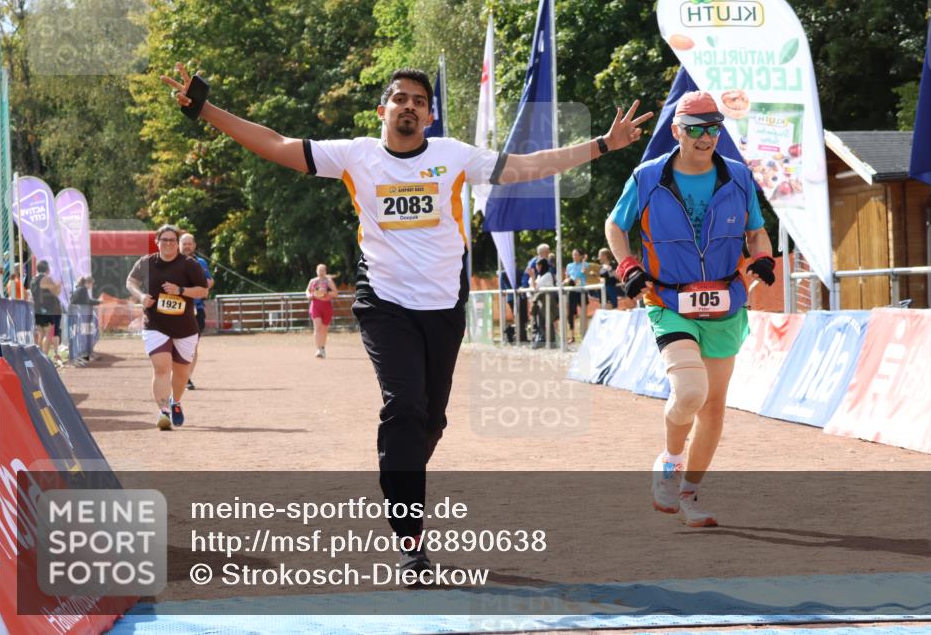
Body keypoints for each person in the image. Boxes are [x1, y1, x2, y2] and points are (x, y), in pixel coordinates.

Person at [161, 62, 651, 569]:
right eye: (401, 98)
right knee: (404, 407)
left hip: (442, 307)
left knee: (429, 420)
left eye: (419, 100)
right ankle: (411, 540)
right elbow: (277, 143)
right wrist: (205, 110)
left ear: (430, 116)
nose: (410, 106)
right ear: (383, 109)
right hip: (385, 302)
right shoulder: (356, 156)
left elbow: (526, 166)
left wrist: (601, 145)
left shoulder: (453, 156)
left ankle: (401, 473)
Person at [605, 91, 775, 528]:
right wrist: (627, 266)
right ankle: (670, 461)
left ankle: (690, 494)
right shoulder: (647, 177)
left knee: (714, 408)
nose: (705, 137)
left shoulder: (738, 177)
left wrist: (762, 258)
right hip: (668, 300)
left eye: (713, 128)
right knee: (689, 394)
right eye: (696, 128)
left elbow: (757, 232)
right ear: (677, 131)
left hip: (725, 301)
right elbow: (615, 225)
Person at [126, 225, 210, 431]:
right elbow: (130, 281)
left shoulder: (189, 265)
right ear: (157, 242)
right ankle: (163, 412)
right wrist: (141, 296)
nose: (168, 243)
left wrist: (180, 290)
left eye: (172, 240)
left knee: (181, 374)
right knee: (162, 367)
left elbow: (203, 291)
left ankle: (176, 402)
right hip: (155, 324)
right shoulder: (146, 262)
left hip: (185, 327)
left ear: (177, 243)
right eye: (164, 240)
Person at [179, 232, 214, 389]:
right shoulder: (171, 262)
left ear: (194, 245)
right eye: (184, 243)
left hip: (196, 309)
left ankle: (187, 378)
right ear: (179, 245)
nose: (187, 246)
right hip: (175, 310)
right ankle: (174, 375)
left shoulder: (201, 263)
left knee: (192, 345)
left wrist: (204, 285)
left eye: (189, 243)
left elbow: (209, 281)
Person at [30, 260, 63, 363]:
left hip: (36, 309)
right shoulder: (46, 279)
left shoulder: (33, 280)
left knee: (41, 333)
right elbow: (56, 292)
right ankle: (44, 357)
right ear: (47, 269)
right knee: (48, 333)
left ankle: (39, 357)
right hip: (47, 309)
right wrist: (59, 285)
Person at [306, 263, 338, 358]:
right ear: (316, 271)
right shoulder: (313, 281)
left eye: (323, 270)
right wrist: (309, 295)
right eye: (319, 270)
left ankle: (322, 348)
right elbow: (307, 291)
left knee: (324, 329)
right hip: (315, 306)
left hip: (326, 306)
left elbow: (336, 293)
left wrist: (327, 292)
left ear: (325, 271)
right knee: (317, 327)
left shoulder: (329, 281)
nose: (321, 272)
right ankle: (318, 349)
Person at [529, 257, 559, 348]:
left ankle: (552, 342)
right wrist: (533, 278)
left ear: (542, 266)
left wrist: (532, 276)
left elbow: (535, 286)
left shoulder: (548, 275)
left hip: (548, 301)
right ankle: (543, 340)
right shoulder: (540, 276)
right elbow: (531, 285)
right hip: (541, 302)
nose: (537, 267)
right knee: (540, 321)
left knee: (548, 320)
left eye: (538, 265)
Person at [564, 248, 588, 343]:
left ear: (581, 256)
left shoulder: (585, 264)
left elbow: (582, 273)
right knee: (571, 315)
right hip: (572, 291)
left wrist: (584, 262)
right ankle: (572, 336)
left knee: (583, 314)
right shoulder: (569, 266)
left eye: (576, 254)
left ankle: (584, 334)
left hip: (582, 290)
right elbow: (567, 278)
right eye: (573, 254)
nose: (574, 256)